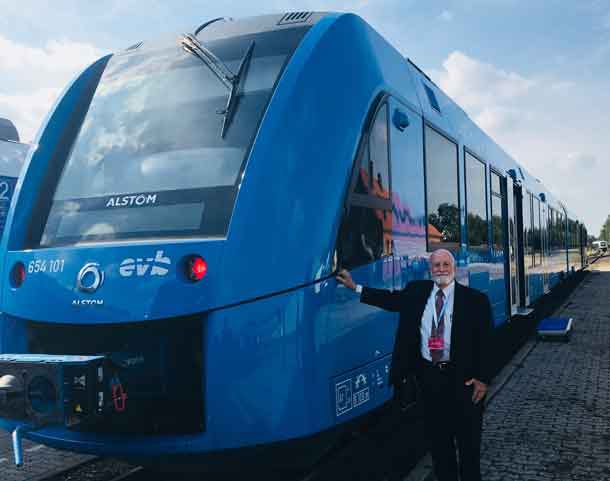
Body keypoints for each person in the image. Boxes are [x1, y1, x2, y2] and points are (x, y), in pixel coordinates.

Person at [336, 249, 493, 481]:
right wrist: (354, 287)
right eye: (436, 265)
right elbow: (389, 300)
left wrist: (483, 378)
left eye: (445, 265)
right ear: (431, 270)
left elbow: (486, 341)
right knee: (440, 448)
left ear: (454, 268)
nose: (440, 269)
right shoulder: (417, 292)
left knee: (469, 448)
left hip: (464, 381)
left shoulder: (475, 300)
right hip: (431, 381)